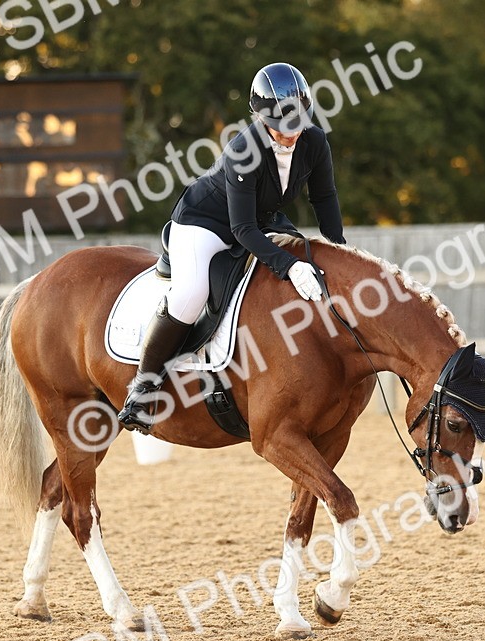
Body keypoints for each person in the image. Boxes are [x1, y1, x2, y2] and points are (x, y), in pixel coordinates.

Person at [117, 62, 347, 433]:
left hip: (261, 219)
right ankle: (142, 389)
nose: (290, 135)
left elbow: (325, 198)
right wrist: (287, 266)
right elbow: (241, 228)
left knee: (308, 256)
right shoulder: (244, 149)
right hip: (205, 223)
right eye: (281, 128)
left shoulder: (315, 141)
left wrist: (339, 253)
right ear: (260, 118)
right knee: (191, 293)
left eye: (297, 124)